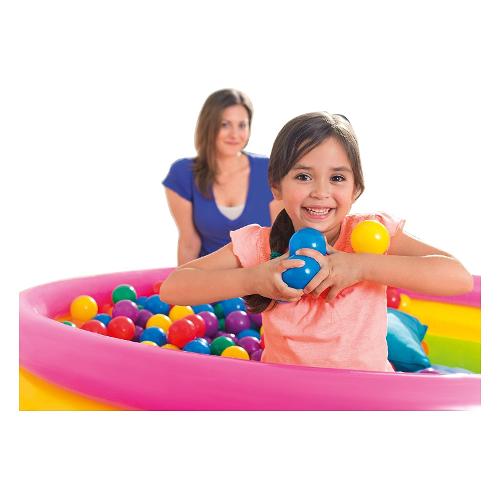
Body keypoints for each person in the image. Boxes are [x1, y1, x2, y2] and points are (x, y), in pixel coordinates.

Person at [160, 112, 473, 371]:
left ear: (356, 189)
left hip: (368, 399)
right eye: (303, 176)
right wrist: (254, 279)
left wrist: (362, 266)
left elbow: (458, 277)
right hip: (289, 399)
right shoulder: (260, 245)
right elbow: (173, 287)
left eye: (337, 178)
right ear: (276, 186)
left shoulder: (370, 236)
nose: (321, 192)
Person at [163, 88, 282, 264]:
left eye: (242, 125)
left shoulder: (268, 169)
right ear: (209, 126)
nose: (234, 134)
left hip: (257, 275)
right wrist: (182, 279)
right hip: (209, 275)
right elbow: (189, 243)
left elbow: (279, 237)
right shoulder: (183, 173)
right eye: (225, 124)